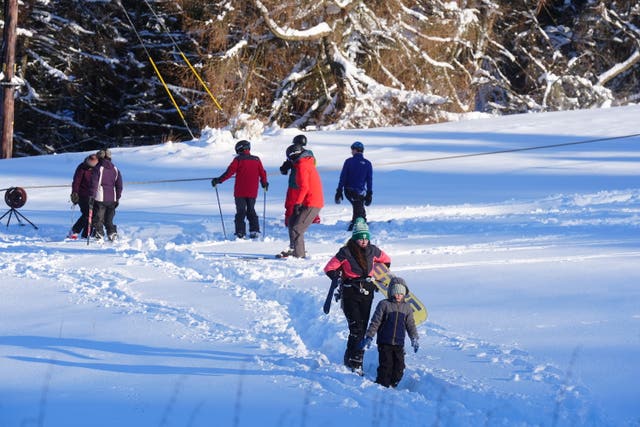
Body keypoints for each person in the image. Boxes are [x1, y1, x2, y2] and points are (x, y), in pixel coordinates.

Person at [323, 218, 391, 373]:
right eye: (361, 238)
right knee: (356, 328)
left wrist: (380, 272)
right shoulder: (345, 252)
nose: (364, 241)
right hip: (350, 292)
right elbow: (329, 268)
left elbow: (386, 260)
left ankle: (350, 357)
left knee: (363, 328)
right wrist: (338, 277)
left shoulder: (373, 250)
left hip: (367, 291)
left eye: (366, 237)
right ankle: (356, 362)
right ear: (355, 238)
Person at [360, 276, 419, 387]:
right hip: (384, 342)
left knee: (400, 367)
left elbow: (411, 325)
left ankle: (393, 384)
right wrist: (369, 337)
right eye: (396, 293)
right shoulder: (384, 304)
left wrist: (414, 338)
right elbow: (375, 322)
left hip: (399, 343)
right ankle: (382, 385)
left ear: (404, 294)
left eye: (401, 294)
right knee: (386, 365)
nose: (398, 296)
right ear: (391, 292)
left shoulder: (407, 308)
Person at [211, 140, 268, 239]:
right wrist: (264, 182)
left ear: (239, 149)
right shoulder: (256, 159)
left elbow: (229, 172)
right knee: (251, 210)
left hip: (240, 191)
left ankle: (240, 232)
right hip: (252, 191)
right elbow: (262, 173)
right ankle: (254, 230)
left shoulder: (238, 160)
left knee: (240, 211)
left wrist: (219, 180)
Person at [278, 143, 323, 258]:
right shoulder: (303, 163)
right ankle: (294, 248)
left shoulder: (303, 166)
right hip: (306, 201)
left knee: (297, 228)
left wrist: (297, 203)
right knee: (292, 222)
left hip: (312, 202)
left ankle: (299, 255)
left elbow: (304, 187)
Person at [335, 141, 373, 231]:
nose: (351, 152)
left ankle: (356, 224)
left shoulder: (349, 161)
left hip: (349, 191)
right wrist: (369, 193)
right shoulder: (367, 163)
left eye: (352, 150)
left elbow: (343, 177)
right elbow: (369, 179)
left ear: (355, 150)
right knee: (358, 206)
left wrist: (339, 190)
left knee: (358, 206)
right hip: (361, 192)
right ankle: (359, 222)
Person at [89, 149, 123, 241]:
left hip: (100, 198)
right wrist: (118, 197)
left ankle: (99, 234)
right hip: (112, 198)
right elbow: (119, 185)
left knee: (98, 218)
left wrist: (91, 196)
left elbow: (94, 184)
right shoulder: (115, 169)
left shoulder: (98, 168)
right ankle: (112, 233)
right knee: (109, 218)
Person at [68, 153, 99, 239]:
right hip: (82, 195)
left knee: (94, 214)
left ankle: (86, 234)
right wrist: (74, 193)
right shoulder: (82, 167)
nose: (90, 167)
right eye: (90, 165)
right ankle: (75, 230)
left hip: (94, 195)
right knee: (87, 213)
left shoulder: (98, 168)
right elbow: (76, 182)